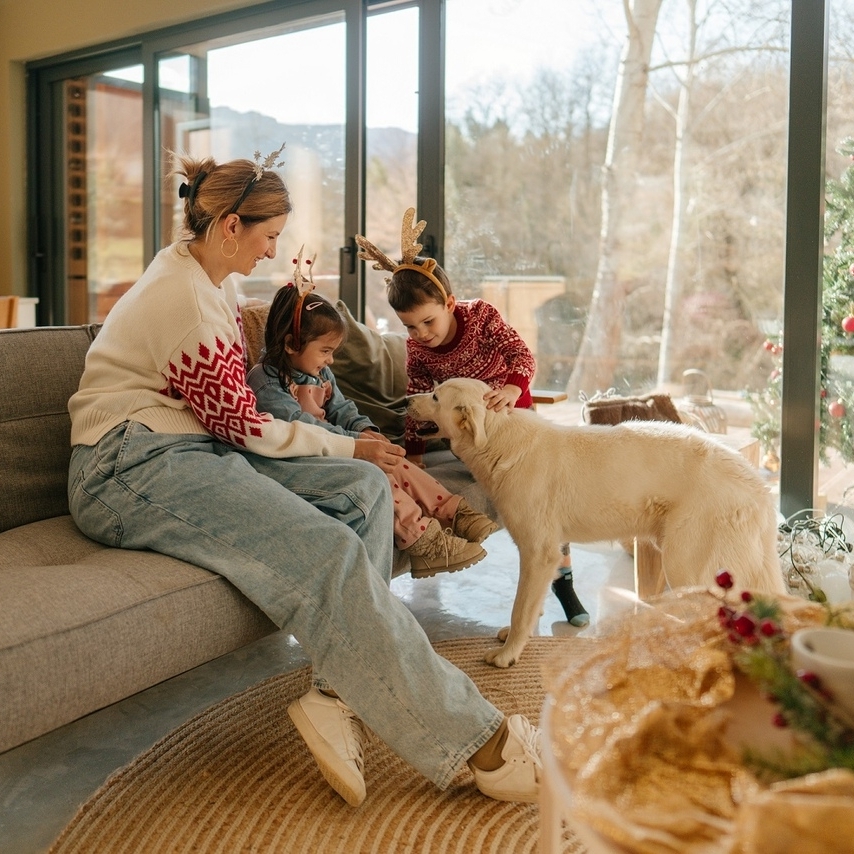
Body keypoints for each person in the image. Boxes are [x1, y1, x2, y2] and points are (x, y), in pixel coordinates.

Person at [66, 147, 542, 809]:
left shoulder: (207, 279)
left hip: (188, 448)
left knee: (366, 489)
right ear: (230, 227)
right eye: (267, 236)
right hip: (127, 465)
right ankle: (479, 744)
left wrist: (352, 457)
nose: (271, 251)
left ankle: (334, 693)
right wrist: (343, 446)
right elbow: (242, 427)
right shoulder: (187, 302)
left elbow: (232, 415)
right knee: (329, 551)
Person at [356, 207, 589, 626]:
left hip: (511, 419)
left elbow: (521, 354)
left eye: (428, 321)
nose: (422, 333)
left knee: (546, 502)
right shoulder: (418, 351)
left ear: (449, 303)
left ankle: (564, 582)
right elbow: (417, 400)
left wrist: (514, 387)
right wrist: (414, 453)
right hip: (467, 434)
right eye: (410, 327)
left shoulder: (481, 317)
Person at [246, 251, 498, 578]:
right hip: (303, 459)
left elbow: (341, 409)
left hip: (337, 449)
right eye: (325, 351)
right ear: (292, 344)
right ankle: (423, 541)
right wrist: (357, 443)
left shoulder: (319, 374)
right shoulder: (266, 381)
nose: (331, 361)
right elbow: (301, 428)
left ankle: (450, 510)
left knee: (393, 459)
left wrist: (365, 429)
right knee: (378, 475)